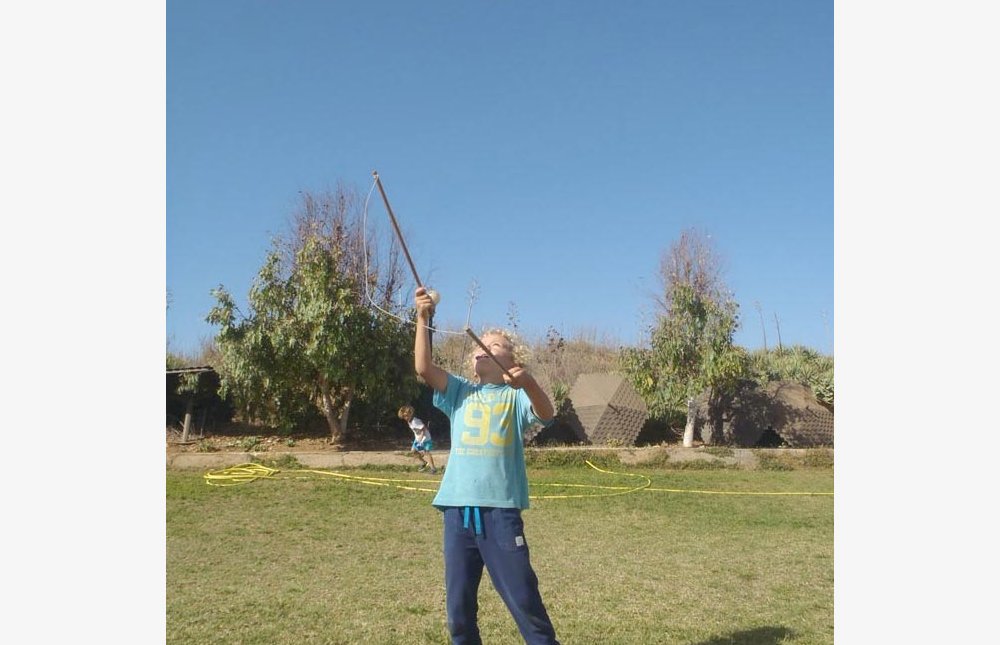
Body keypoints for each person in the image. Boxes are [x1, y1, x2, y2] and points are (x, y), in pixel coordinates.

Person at [413, 286, 560, 645]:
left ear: (513, 360)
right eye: (482, 345)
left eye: (496, 345)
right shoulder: (460, 392)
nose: (485, 347)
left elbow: (547, 413)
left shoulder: (515, 397)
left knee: (524, 600)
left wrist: (527, 382)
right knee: (458, 614)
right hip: (457, 512)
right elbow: (423, 368)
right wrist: (422, 318)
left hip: (500, 513)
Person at [398, 404, 437, 474]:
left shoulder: (415, 421)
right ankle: (424, 463)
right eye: (404, 416)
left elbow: (423, 429)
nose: (405, 418)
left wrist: (421, 440)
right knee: (413, 451)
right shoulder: (409, 422)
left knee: (427, 453)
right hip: (418, 439)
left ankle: (433, 469)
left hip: (425, 438)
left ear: (410, 414)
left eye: (406, 416)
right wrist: (418, 440)